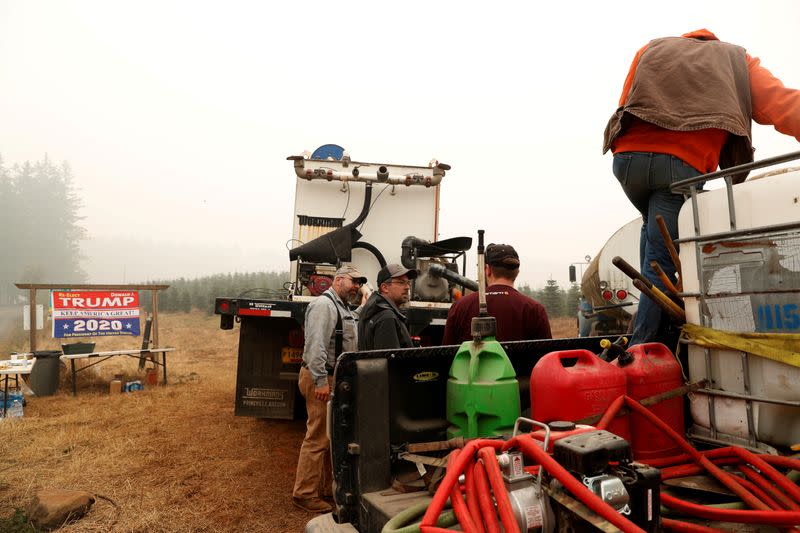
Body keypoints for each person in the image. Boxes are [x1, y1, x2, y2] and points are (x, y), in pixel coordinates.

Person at [603, 29, 800, 346]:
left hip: (627, 162)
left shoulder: (651, 49)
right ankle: (643, 351)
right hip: (679, 167)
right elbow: (782, 105)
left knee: (653, 233)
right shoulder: (736, 61)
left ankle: (638, 335)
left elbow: (627, 101)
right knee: (662, 257)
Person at [292, 265, 367, 513]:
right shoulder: (324, 306)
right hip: (321, 377)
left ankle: (322, 489)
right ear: (338, 280)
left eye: (359, 283)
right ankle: (304, 494)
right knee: (317, 437)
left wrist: (365, 303)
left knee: (329, 436)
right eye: (353, 281)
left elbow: (350, 323)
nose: (356, 286)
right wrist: (322, 381)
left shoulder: (342, 307)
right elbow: (315, 347)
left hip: (331, 377)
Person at [442, 243, 552, 344]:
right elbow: (546, 358)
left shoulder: (459, 307)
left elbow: (446, 355)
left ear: (487, 270)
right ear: (517, 273)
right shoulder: (535, 309)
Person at [358, 263, 417, 350]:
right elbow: (389, 360)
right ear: (385, 288)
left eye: (408, 283)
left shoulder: (375, 309)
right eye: (401, 282)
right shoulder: (387, 316)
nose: (407, 287)